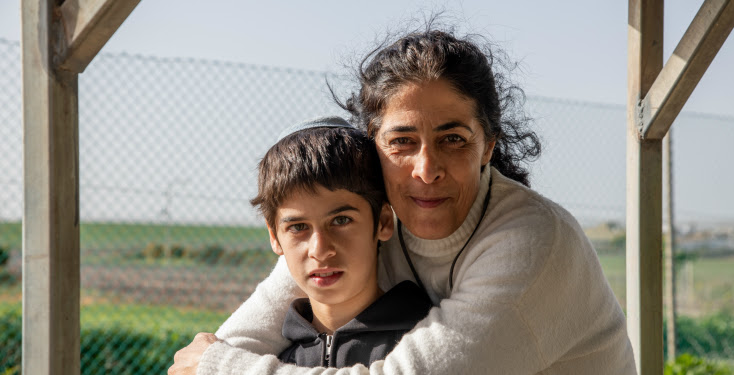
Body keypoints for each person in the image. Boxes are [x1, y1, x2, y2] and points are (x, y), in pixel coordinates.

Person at [170, 27, 636, 375]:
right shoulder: (366, 219)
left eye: (453, 138)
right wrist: (216, 359)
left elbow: (218, 362)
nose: (426, 168)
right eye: (402, 141)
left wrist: (222, 366)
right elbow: (236, 340)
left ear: (488, 148)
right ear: (374, 145)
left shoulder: (532, 242)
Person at [253, 116, 432, 367]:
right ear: (275, 237)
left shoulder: (428, 340)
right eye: (298, 227)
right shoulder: (271, 359)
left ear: (382, 222)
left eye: (341, 221)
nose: (320, 250)